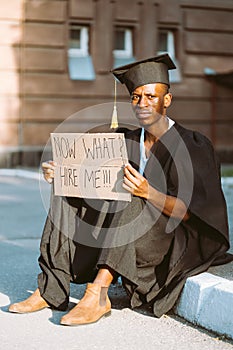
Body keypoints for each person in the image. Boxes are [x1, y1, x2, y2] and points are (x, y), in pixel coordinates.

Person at [9, 54, 232, 326]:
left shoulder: (192, 145)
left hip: (171, 240)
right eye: (136, 97)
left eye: (151, 96)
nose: (143, 104)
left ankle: (98, 293)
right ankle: (50, 288)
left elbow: (191, 213)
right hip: (124, 235)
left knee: (132, 193)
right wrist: (61, 173)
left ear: (167, 100)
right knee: (65, 190)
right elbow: (89, 183)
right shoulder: (122, 141)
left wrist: (149, 192)